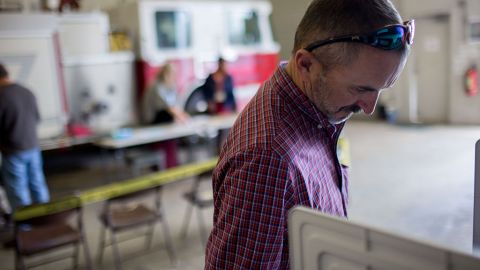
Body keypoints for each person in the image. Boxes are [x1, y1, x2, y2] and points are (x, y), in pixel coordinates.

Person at [205, 0, 414, 268]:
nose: (369, 107)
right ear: (306, 65)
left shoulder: (316, 107)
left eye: (381, 88)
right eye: (360, 89)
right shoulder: (267, 160)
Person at [0, 63, 50, 212]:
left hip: (13, 150)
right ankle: (46, 218)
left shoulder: (1, 96)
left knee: (18, 192)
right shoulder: (27, 91)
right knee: (38, 184)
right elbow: (37, 118)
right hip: (33, 146)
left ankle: (25, 228)